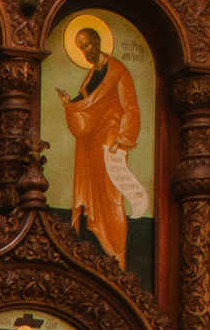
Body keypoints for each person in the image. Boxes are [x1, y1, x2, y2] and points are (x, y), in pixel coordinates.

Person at [61, 20, 148, 260]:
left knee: (110, 196)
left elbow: (130, 106)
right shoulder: (90, 77)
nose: (85, 51)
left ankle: (115, 252)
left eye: (87, 45)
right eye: (81, 48)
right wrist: (70, 104)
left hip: (110, 142)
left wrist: (123, 137)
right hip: (89, 145)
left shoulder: (118, 72)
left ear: (98, 42)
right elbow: (84, 105)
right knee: (91, 198)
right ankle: (90, 252)